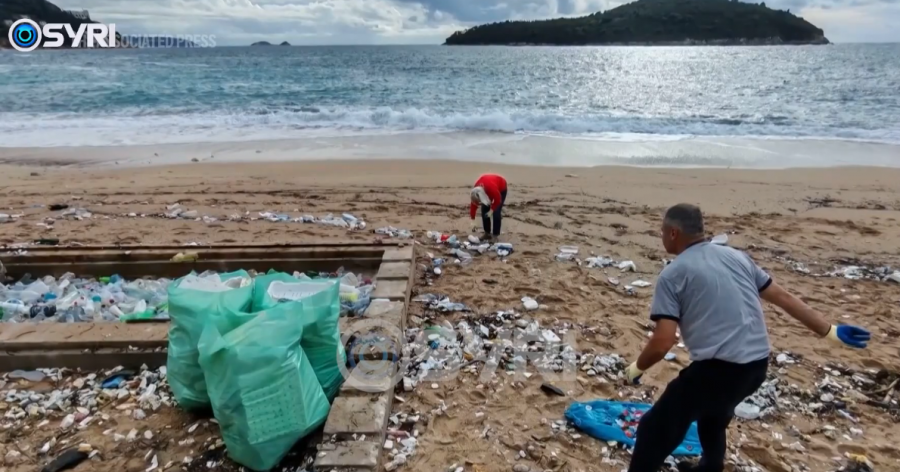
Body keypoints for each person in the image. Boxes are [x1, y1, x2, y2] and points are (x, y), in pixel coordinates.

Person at [624, 203, 870, 472]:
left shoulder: (672, 275)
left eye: (662, 231)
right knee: (714, 417)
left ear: (672, 233)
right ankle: (710, 467)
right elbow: (783, 298)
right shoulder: (736, 257)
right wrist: (830, 331)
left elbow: (663, 342)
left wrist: (636, 368)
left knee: (653, 429)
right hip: (756, 366)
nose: (661, 237)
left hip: (718, 371)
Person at [469, 173, 507, 240]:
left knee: (496, 212)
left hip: (501, 187)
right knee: (484, 210)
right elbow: (473, 204)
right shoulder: (475, 191)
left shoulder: (491, 189)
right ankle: (487, 233)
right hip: (487, 187)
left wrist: (491, 210)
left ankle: (495, 235)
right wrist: (473, 220)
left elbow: (498, 200)